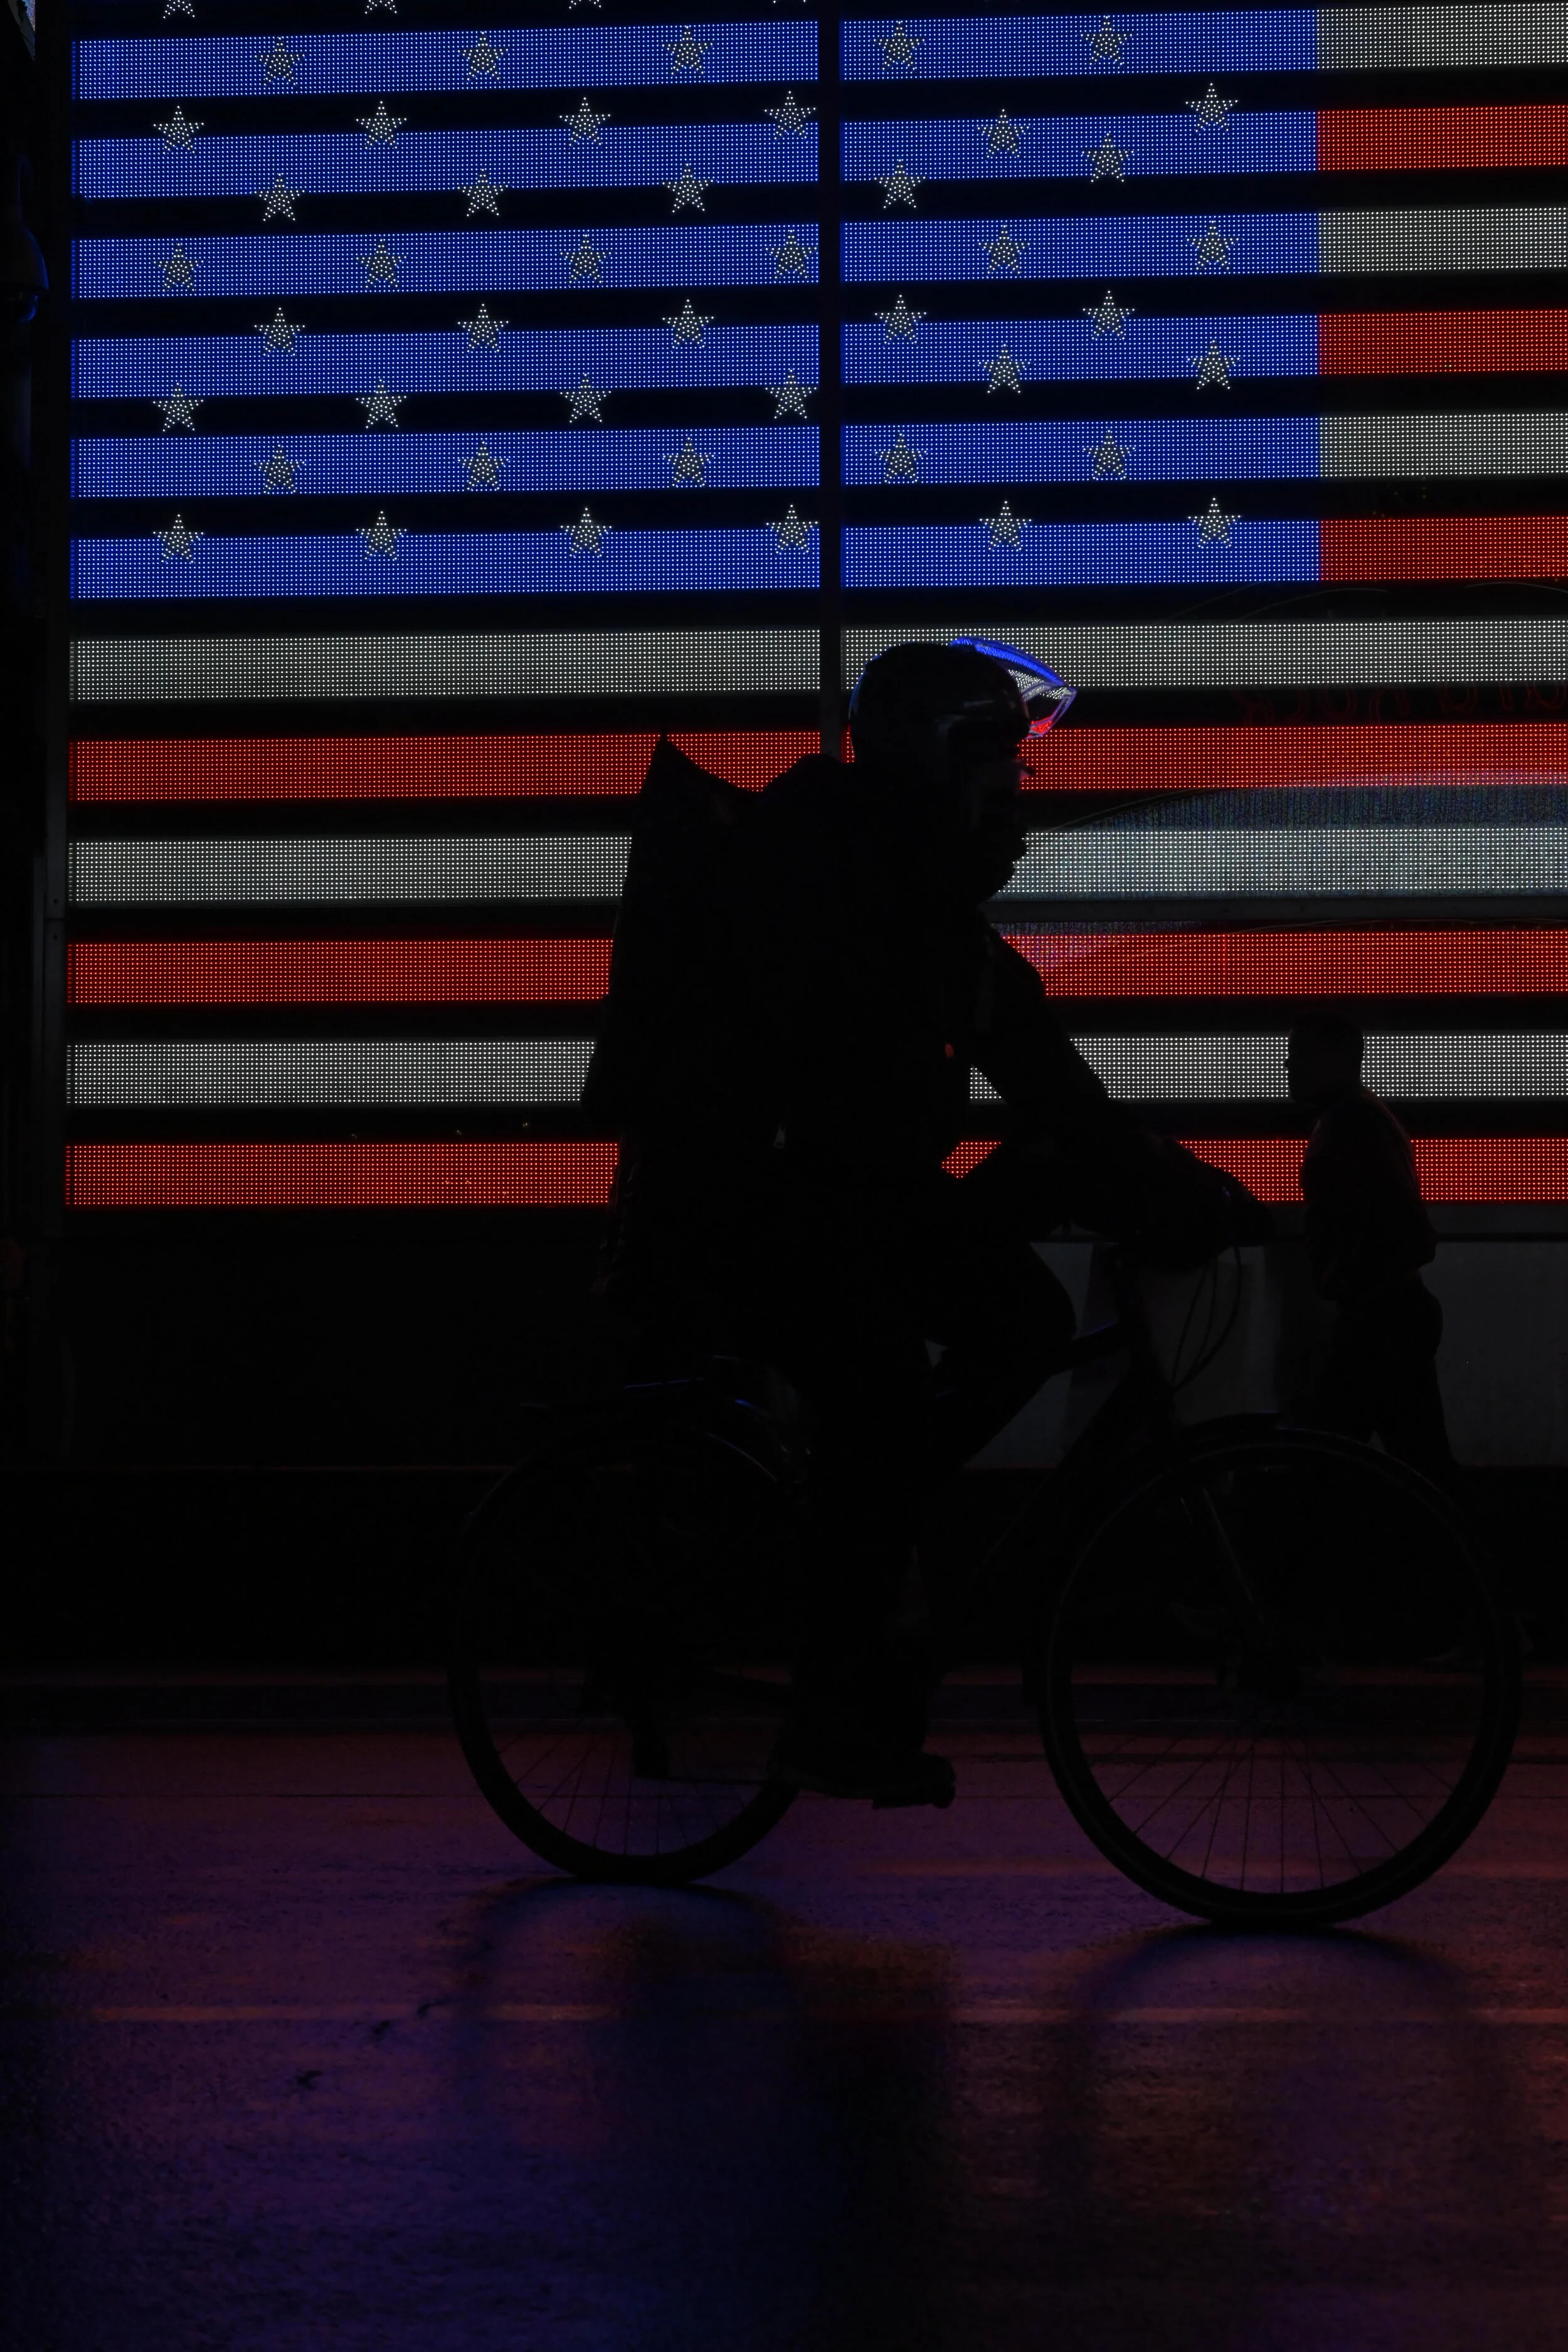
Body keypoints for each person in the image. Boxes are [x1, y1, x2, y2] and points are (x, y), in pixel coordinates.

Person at [588, 641, 1256, 1807]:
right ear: (934, 768)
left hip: (835, 1202)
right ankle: (835, 1695)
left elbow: (1038, 1069)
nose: (1015, 812)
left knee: (1010, 1322)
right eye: (999, 780)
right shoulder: (836, 880)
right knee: (885, 1392)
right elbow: (929, 1087)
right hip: (744, 1212)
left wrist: (1152, 1172)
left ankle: (874, 1522)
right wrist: (1128, 1177)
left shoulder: (905, 891)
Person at [1288, 1012, 1454, 1486]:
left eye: (1301, 1053)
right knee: (1419, 1458)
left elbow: (1397, 1225)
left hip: (1377, 1319)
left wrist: (1342, 1274)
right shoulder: (1364, 1117)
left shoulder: (1347, 1126)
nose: (1287, 1065)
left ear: (1340, 1058)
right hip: (1391, 1314)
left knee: (1328, 1450)